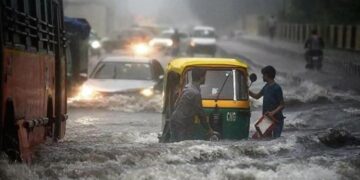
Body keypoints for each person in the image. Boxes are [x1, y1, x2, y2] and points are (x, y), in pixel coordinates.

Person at [170, 68, 214, 142]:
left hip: (176, 121)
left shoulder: (188, 87)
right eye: (205, 76)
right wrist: (209, 129)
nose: (205, 78)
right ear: (201, 77)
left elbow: (176, 104)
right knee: (181, 146)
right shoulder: (195, 93)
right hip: (182, 124)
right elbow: (201, 114)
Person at [249, 66, 285, 138]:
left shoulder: (277, 88)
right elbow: (257, 96)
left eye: (263, 75)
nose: (262, 77)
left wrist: (272, 113)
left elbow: (282, 105)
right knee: (259, 138)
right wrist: (247, 91)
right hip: (267, 119)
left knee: (276, 141)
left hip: (276, 120)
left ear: (267, 75)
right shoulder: (266, 86)